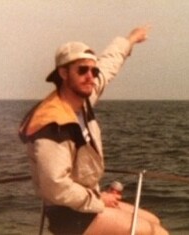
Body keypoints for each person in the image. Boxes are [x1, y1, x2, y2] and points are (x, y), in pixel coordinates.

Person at [19, 25, 169, 235]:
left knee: (154, 220)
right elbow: (56, 186)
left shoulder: (82, 101)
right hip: (69, 215)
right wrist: (98, 200)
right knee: (155, 233)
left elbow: (108, 64)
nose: (91, 76)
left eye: (93, 70)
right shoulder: (53, 123)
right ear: (63, 73)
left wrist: (130, 40)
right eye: (82, 70)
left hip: (85, 203)